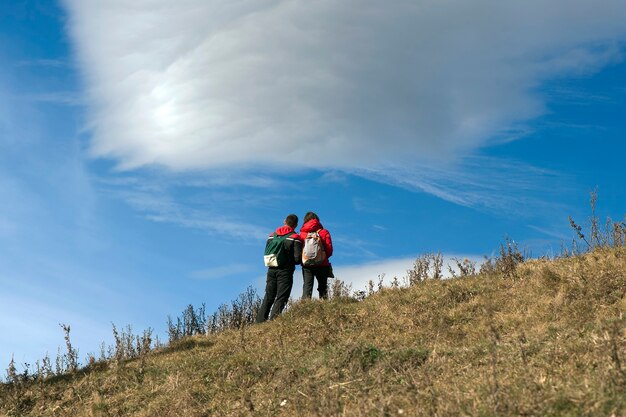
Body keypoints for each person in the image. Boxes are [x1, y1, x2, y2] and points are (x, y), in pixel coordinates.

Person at [256, 214, 303, 323]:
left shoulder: (272, 235)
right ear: (295, 225)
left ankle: (259, 322)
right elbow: (297, 259)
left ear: (284, 221)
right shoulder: (295, 238)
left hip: (271, 269)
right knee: (281, 296)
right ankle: (274, 322)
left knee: (269, 296)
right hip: (285, 271)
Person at [299, 211, 333, 299]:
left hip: (307, 264)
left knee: (307, 287)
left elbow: (299, 250)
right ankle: (324, 308)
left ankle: (304, 308)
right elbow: (329, 249)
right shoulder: (324, 232)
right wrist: (322, 258)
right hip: (322, 264)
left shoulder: (302, 234)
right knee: (323, 288)